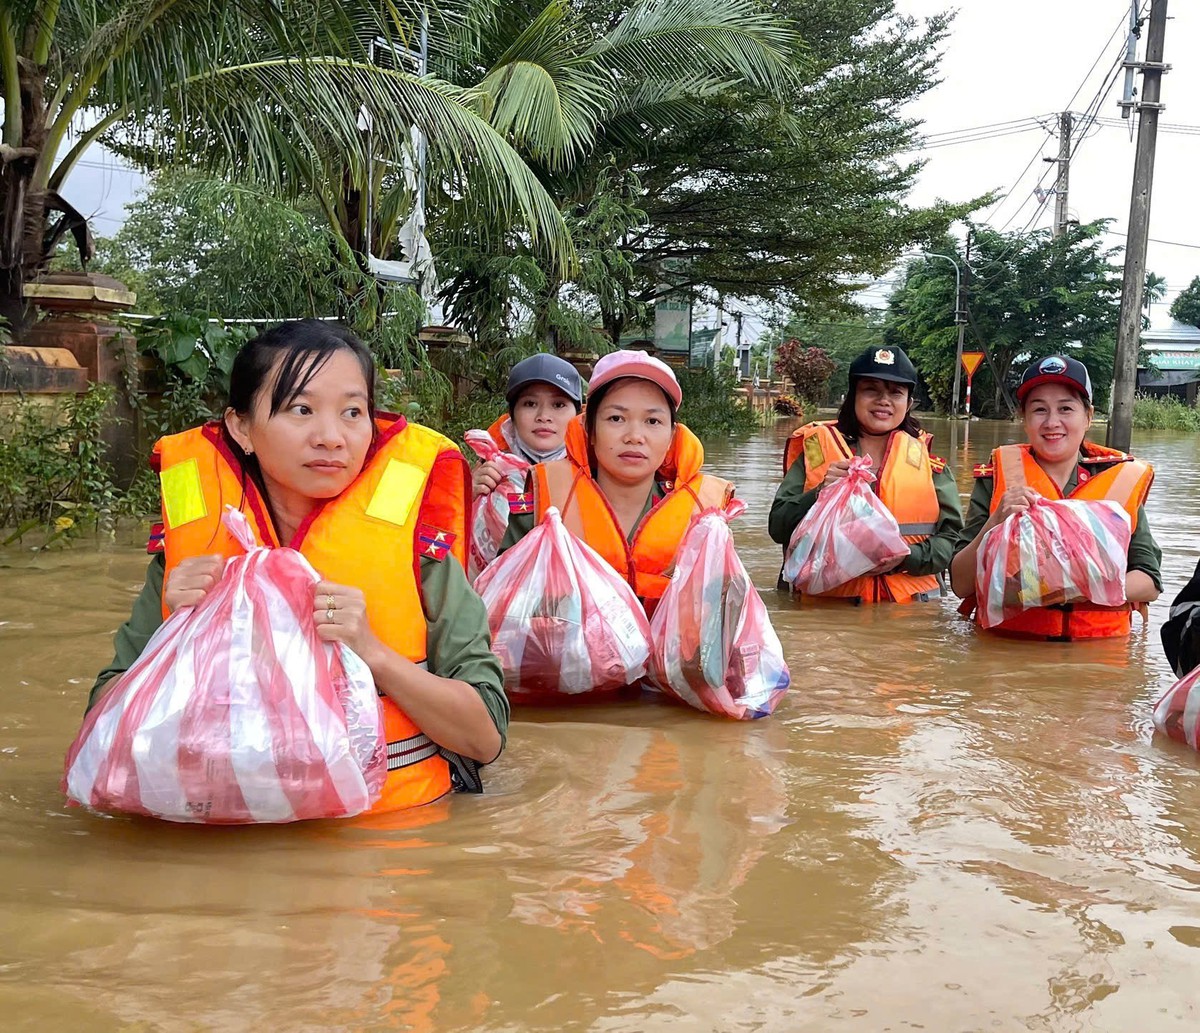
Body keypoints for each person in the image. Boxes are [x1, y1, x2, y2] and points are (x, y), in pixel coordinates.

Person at [90, 319, 508, 813]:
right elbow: (100, 722)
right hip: (217, 845)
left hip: (388, 857)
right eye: (301, 409)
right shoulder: (192, 556)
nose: (331, 437)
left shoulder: (419, 550)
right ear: (241, 426)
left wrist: (372, 652)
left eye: (353, 412)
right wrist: (175, 637)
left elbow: (484, 739)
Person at [499, 349, 733, 612]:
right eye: (616, 418)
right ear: (590, 431)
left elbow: (725, 620)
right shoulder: (544, 503)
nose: (634, 436)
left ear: (671, 438)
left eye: (652, 421)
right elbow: (505, 604)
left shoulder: (706, 519)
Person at [950, 354, 1160, 639]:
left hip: (1099, 659)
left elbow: (1149, 582)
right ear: (1024, 419)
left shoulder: (1119, 482)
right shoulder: (996, 480)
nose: (1052, 422)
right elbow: (960, 584)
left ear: (1088, 416)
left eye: (1065, 408)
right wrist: (995, 522)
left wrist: (1073, 586)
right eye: (1039, 410)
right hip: (1009, 653)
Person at [768, 345, 963, 604]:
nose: (884, 400)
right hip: (828, 616)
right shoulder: (815, 452)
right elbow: (777, 528)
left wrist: (907, 558)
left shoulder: (931, 465)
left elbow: (952, 541)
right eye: (871, 389)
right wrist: (820, 494)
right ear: (853, 396)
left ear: (909, 403)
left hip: (908, 618)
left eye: (896, 393)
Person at [472, 353, 583, 498]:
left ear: (577, 415)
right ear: (512, 414)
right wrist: (467, 498)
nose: (543, 416)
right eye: (530, 404)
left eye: (558, 405)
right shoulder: (488, 472)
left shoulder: (600, 473)